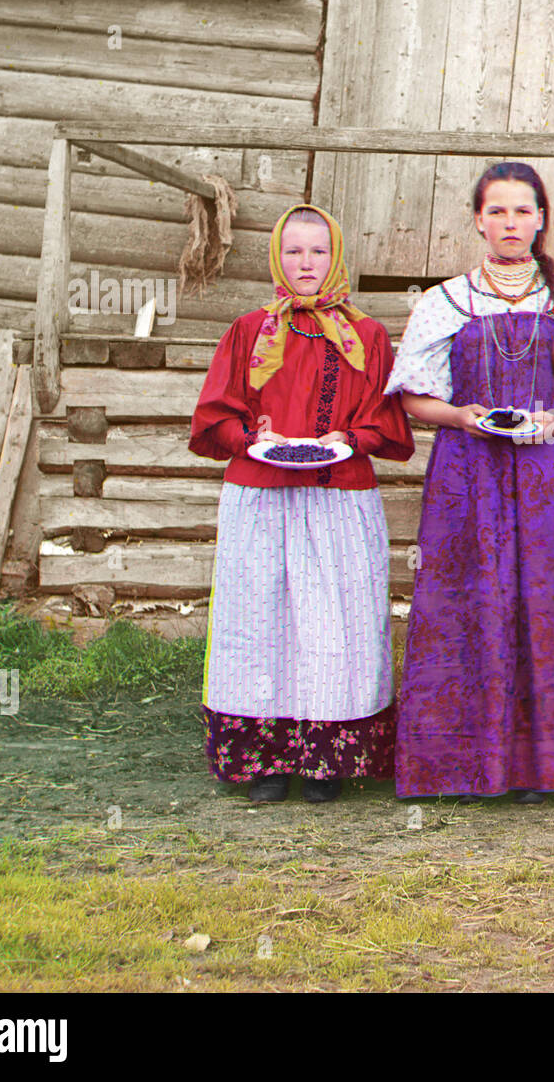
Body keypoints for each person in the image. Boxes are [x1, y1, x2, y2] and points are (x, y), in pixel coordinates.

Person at [385, 162, 554, 804]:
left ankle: (549, 766)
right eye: (497, 211)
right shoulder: (444, 300)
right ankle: (465, 763)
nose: (510, 223)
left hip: (548, 469)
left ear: (541, 219)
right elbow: (415, 398)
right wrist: (460, 416)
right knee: (471, 597)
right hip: (466, 472)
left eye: (522, 211)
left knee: (549, 599)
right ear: (478, 219)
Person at [188, 204, 414, 803]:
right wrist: (251, 440)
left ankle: (326, 758)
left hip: (337, 500)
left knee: (333, 624)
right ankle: (263, 759)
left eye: (317, 251)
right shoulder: (248, 330)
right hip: (260, 499)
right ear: (277, 258)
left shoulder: (366, 336)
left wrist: (350, 438)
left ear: (335, 256)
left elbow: (386, 423)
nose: (306, 263)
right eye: (294, 251)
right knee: (259, 622)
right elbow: (215, 414)